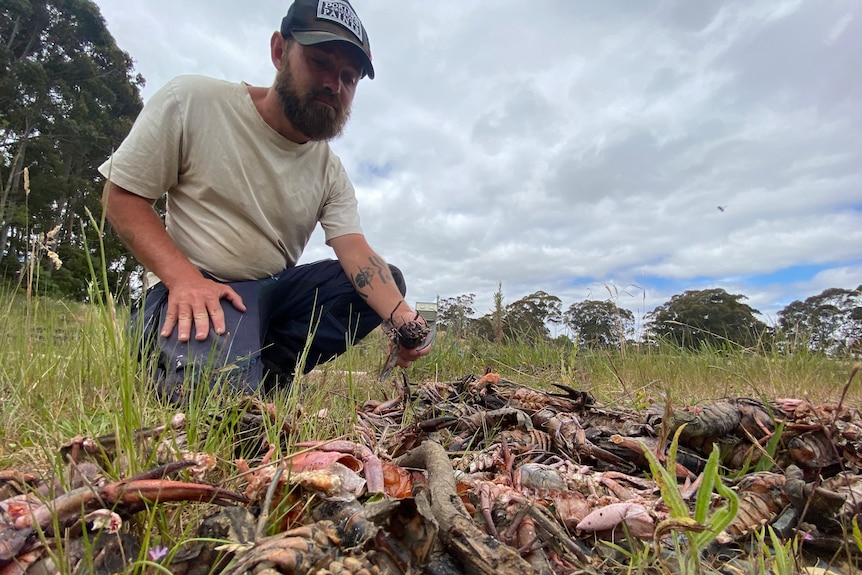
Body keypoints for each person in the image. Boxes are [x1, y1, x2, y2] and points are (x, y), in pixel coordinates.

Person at [99, 0, 431, 403]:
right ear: (279, 51)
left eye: (348, 76)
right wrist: (183, 279)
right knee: (218, 411)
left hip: (269, 298)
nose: (333, 84)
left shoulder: (330, 171)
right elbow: (122, 197)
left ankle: (268, 372)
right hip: (192, 288)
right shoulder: (192, 102)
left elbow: (356, 254)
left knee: (385, 285)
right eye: (319, 61)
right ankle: (214, 369)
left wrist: (405, 323)